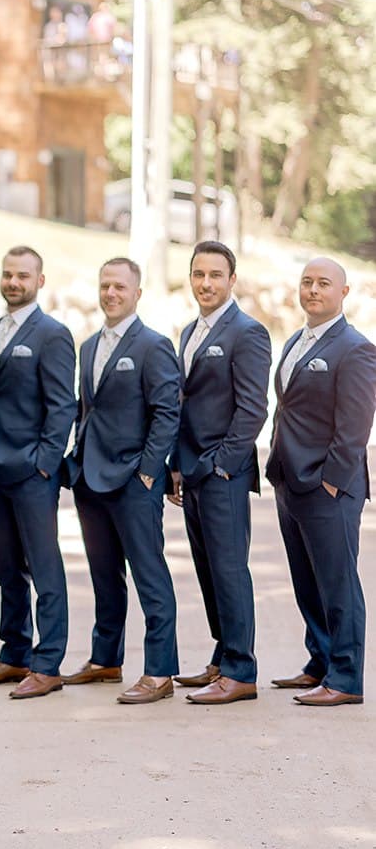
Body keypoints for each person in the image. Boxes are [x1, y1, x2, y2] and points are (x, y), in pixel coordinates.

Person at [65, 257, 180, 704]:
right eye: (105, 285)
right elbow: (86, 407)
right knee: (104, 576)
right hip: (90, 480)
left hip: (134, 480)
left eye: (120, 286)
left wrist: (150, 471)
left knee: (150, 575)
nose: (111, 293)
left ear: (137, 293)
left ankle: (159, 671)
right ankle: (106, 659)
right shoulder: (90, 345)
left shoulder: (153, 345)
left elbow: (167, 413)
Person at [266, 256, 376, 706]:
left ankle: (346, 678)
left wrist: (330, 482)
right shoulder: (297, 340)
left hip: (328, 486)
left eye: (323, 283)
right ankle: (320, 663)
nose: (313, 289)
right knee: (306, 581)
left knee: (338, 584)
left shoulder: (355, 348)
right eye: (307, 281)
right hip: (289, 482)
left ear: (343, 293)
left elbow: (355, 428)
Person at [0, 247, 77, 699]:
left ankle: (48, 662)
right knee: (7, 568)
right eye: (8, 274)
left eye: (23, 276)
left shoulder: (52, 334)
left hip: (32, 472)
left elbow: (62, 405)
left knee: (44, 567)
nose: (14, 282)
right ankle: (13, 653)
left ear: (40, 281)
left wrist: (44, 464)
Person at [170, 242, 271, 704]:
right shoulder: (189, 331)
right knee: (208, 571)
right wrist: (176, 464)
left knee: (229, 571)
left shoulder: (247, 332)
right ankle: (220, 657)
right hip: (191, 472)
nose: (206, 283)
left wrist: (221, 467)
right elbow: (182, 404)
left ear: (233, 280)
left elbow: (253, 409)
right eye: (198, 275)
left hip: (222, 474)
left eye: (215, 275)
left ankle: (241, 670)